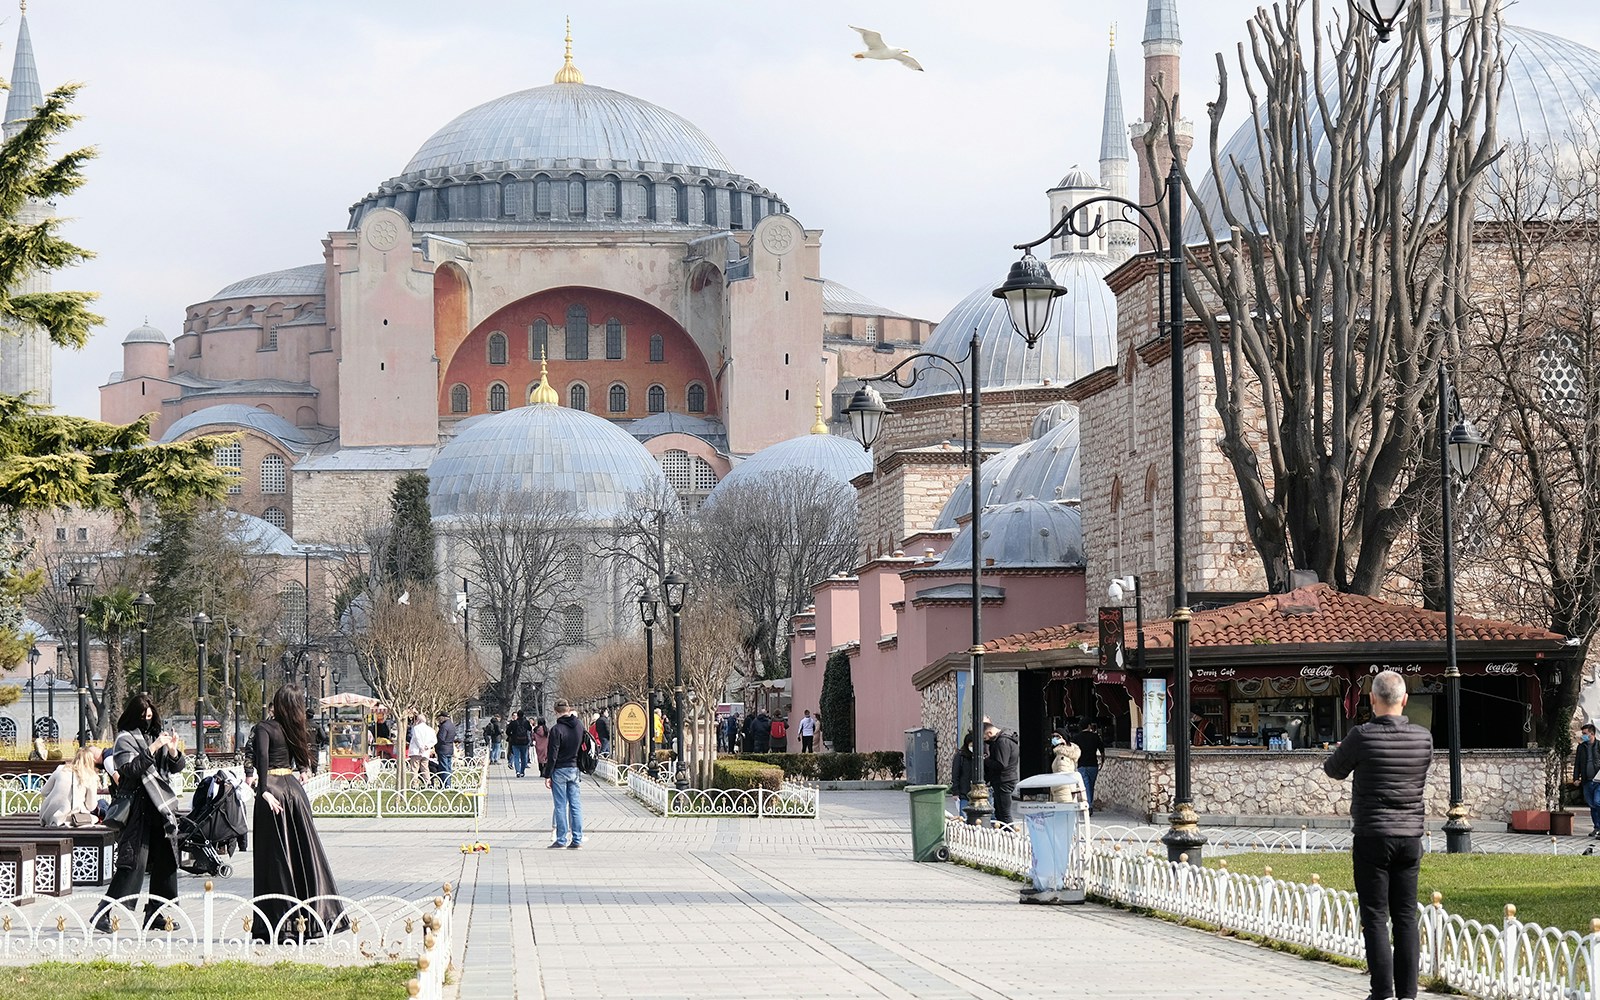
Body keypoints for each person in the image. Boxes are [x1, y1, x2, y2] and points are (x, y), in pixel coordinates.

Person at [1323, 669, 1432, 1000]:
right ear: (1405, 700)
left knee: (1374, 916)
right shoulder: (1422, 738)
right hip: (1410, 836)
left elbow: (1333, 769)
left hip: (1372, 833)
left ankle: (1382, 992)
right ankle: (1408, 995)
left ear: (1372, 699)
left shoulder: (1362, 735)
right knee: (1405, 917)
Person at [251, 684, 344, 942]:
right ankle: (313, 919)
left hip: (274, 793)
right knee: (304, 853)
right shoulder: (296, 727)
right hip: (294, 792)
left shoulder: (264, 728)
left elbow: (261, 761)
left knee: (276, 859)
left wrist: (263, 792)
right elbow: (304, 762)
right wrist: (302, 770)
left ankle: (280, 922)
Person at [94, 693, 187, 932]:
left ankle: (156, 913)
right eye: (143, 717)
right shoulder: (124, 739)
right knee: (132, 864)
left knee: (166, 863)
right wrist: (153, 748)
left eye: (150, 717)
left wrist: (173, 750)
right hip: (138, 810)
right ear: (133, 716)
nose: (147, 721)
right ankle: (102, 913)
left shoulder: (156, 736)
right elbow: (129, 770)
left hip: (160, 809)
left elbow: (174, 768)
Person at [545, 700, 584, 848]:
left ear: (556, 712)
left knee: (560, 805)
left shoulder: (557, 729)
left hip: (560, 770)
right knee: (575, 805)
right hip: (574, 768)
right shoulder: (579, 726)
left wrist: (547, 774)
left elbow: (552, 754)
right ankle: (577, 839)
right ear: (568, 709)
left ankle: (561, 839)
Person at [40, 746, 102, 827]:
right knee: (99, 810)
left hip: (50, 816)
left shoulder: (61, 769)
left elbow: (44, 792)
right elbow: (91, 806)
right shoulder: (90, 776)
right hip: (74, 819)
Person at [983, 719, 1020, 825]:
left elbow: (1001, 764)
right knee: (1000, 813)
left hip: (1004, 780)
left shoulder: (1002, 741)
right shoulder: (1004, 740)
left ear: (989, 733)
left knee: (1004, 814)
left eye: (985, 738)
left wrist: (986, 760)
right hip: (1004, 779)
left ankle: (1011, 837)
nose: (986, 741)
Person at [1574, 721, 1600, 839]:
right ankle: (1597, 827)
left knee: (1597, 802)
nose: (1583, 735)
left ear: (1592, 734)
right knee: (1592, 805)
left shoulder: (1599, 746)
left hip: (1598, 781)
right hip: (1586, 780)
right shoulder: (1581, 747)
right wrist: (1576, 777)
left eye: (1585, 733)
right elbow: (1577, 763)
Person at [1071, 722, 1104, 811]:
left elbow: (1073, 751)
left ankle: (1088, 804)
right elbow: (1102, 750)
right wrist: (1102, 761)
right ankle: (1089, 804)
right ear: (1089, 726)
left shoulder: (1076, 738)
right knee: (1091, 785)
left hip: (1082, 765)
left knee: (1086, 785)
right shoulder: (1095, 737)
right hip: (1093, 765)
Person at [407, 711, 437, 785]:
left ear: (418, 720)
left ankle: (414, 784)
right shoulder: (431, 729)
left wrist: (421, 747)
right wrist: (427, 746)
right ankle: (428, 783)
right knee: (425, 768)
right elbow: (434, 740)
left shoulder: (416, 728)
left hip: (416, 751)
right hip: (426, 752)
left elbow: (417, 738)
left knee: (414, 768)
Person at [950, 732, 974, 816]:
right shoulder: (961, 756)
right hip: (965, 793)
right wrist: (955, 791)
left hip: (979, 794)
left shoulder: (982, 756)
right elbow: (955, 774)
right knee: (964, 817)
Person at [435, 712, 459, 788]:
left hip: (443, 749)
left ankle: (446, 784)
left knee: (444, 767)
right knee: (448, 767)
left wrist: (436, 746)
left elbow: (441, 738)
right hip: (449, 748)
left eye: (440, 718)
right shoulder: (451, 725)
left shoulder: (444, 726)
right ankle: (448, 783)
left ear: (443, 717)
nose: (439, 720)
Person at [506, 710, 532, 777]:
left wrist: (511, 735)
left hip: (515, 742)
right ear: (523, 715)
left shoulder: (514, 723)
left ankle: (517, 771)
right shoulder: (526, 722)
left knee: (516, 757)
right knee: (523, 757)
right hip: (524, 742)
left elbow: (507, 731)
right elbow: (530, 729)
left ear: (517, 715)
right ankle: (522, 771)